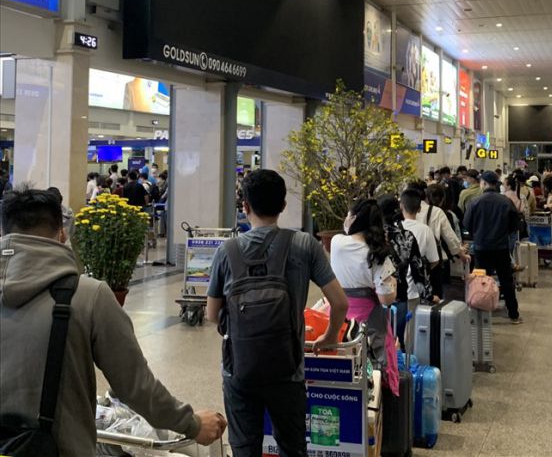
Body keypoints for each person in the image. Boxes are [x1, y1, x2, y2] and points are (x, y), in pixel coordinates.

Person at [1, 187, 226, 455]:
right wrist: (192, 423)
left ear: (5, 233)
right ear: (61, 233)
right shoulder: (87, 296)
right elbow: (135, 386)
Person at [206, 169, 348, 457]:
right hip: (288, 370)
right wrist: (330, 336)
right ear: (283, 206)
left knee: (245, 448)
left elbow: (212, 314)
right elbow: (340, 302)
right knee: (292, 447)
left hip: (239, 370)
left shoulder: (227, 251)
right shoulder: (305, 244)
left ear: (244, 206)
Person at [330, 199, 399, 396]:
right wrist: (392, 283)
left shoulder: (336, 242)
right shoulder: (377, 253)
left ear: (353, 219)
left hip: (338, 316)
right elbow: (386, 299)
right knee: (373, 370)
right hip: (369, 322)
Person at [464, 171, 522, 324]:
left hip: (481, 248)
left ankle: (481, 315)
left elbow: (467, 224)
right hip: (501, 247)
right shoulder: (505, 201)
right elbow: (515, 225)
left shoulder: (475, 202)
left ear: (483, 183)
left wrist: (478, 234)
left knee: (481, 281)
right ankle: (514, 314)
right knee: (506, 281)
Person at [387, 191, 440, 348]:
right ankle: (404, 366)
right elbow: (434, 261)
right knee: (407, 336)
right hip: (411, 292)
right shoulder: (423, 230)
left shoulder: (383, 234)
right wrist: (428, 293)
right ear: (419, 209)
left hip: (384, 293)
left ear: (401, 206)